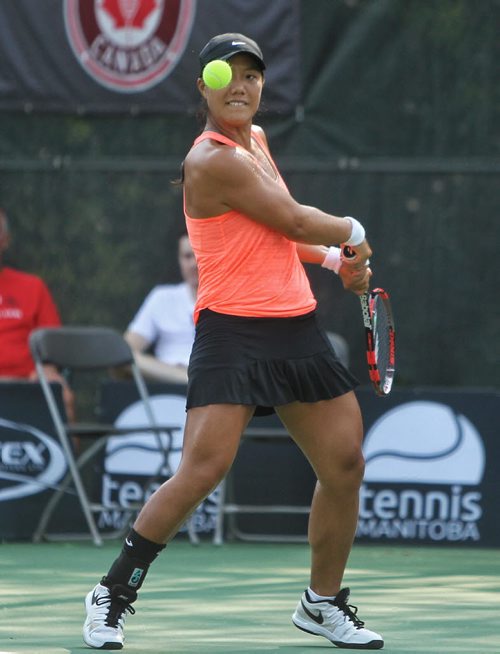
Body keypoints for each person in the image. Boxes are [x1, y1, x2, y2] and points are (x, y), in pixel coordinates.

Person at [83, 33, 383, 651]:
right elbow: (297, 217)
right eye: (228, 77)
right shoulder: (210, 161)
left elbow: (280, 234)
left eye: (253, 76)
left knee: (346, 463)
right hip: (232, 331)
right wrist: (355, 233)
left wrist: (333, 261)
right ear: (204, 88)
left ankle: (321, 603)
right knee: (201, 471)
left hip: (294, 326)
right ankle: (111, 593)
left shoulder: (258, 144)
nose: (241, 87)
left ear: (262, 86)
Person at [0, 209, 75, 422]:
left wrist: (46, 371)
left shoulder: (32, 287)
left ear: (5, 241)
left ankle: (66, 457)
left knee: (63, 395)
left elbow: (52, 347)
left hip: (28, 383)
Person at [124, 233, 197, 385]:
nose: (193, 263)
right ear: (179, 260)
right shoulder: (162, 297)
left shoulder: (231, 297)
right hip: (167, 385)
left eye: (198, 254)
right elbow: (125, 351)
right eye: (187, 256)